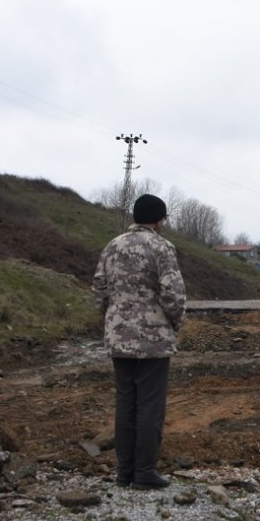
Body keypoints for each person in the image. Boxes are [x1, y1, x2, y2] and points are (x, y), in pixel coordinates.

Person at [92, 194, 187, 490]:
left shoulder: (113, 246)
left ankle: (124, 473)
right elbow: (172, 293)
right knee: (150, 406)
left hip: (119, 338)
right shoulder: (161, 247)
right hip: (153, 341)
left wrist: (112, 321)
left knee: (125, 404)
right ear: (159, 220)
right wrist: (175, 323)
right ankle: (145, 473)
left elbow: (99, 290)